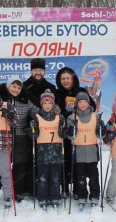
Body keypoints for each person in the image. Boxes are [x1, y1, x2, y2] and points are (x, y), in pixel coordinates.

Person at [54, 67, 95, 198]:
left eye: (68, 78)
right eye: (63, 78)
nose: (65, 81)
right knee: (64, 160)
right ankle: (65, 187)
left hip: (79, 132)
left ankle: (78, 188)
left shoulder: (81, 91)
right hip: (62, 132)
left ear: (73, 78)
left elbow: (92, 106)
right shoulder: (56, 93)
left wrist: (80, 111)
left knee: (77, 161)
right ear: (59, 80)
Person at [0, 75, 40, 202]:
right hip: (3, 137)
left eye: (18, 87)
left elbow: (38, 113)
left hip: (21, 138)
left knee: (20, 166)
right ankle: (1, 190)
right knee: (3, 166)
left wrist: (51, 112)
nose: (16, 90)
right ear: (8, 86)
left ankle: (18, 191)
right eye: (13, 86)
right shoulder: (0, 99)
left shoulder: (25, 101)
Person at [29, 89, 66, 210]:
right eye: (45, 103)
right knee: (43, 178)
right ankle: (42, 197)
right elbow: (33, 135)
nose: (47, 105)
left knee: (56, 178)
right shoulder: (37, 117)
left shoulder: (59, 117)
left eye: (50, 103)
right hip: (42, 154)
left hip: (56, 154)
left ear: (53, 103)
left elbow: (63, 134)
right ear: (41, 104)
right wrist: (32, 129)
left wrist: (63, 129)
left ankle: (55, 196)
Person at [65, 92, 101, 208]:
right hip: (78, 151)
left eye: (85, 101)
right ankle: (82, 195)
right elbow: (69, 136)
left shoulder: (96, 116)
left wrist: (102, 127)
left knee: (93, 176)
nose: (83, 104)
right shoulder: (71, 117)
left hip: (92, 151)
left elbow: (102, 134)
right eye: (80, 102)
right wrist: (72, 127)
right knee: (80, 176)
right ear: (77, 104)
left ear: (88, 103)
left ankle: (94, 195)